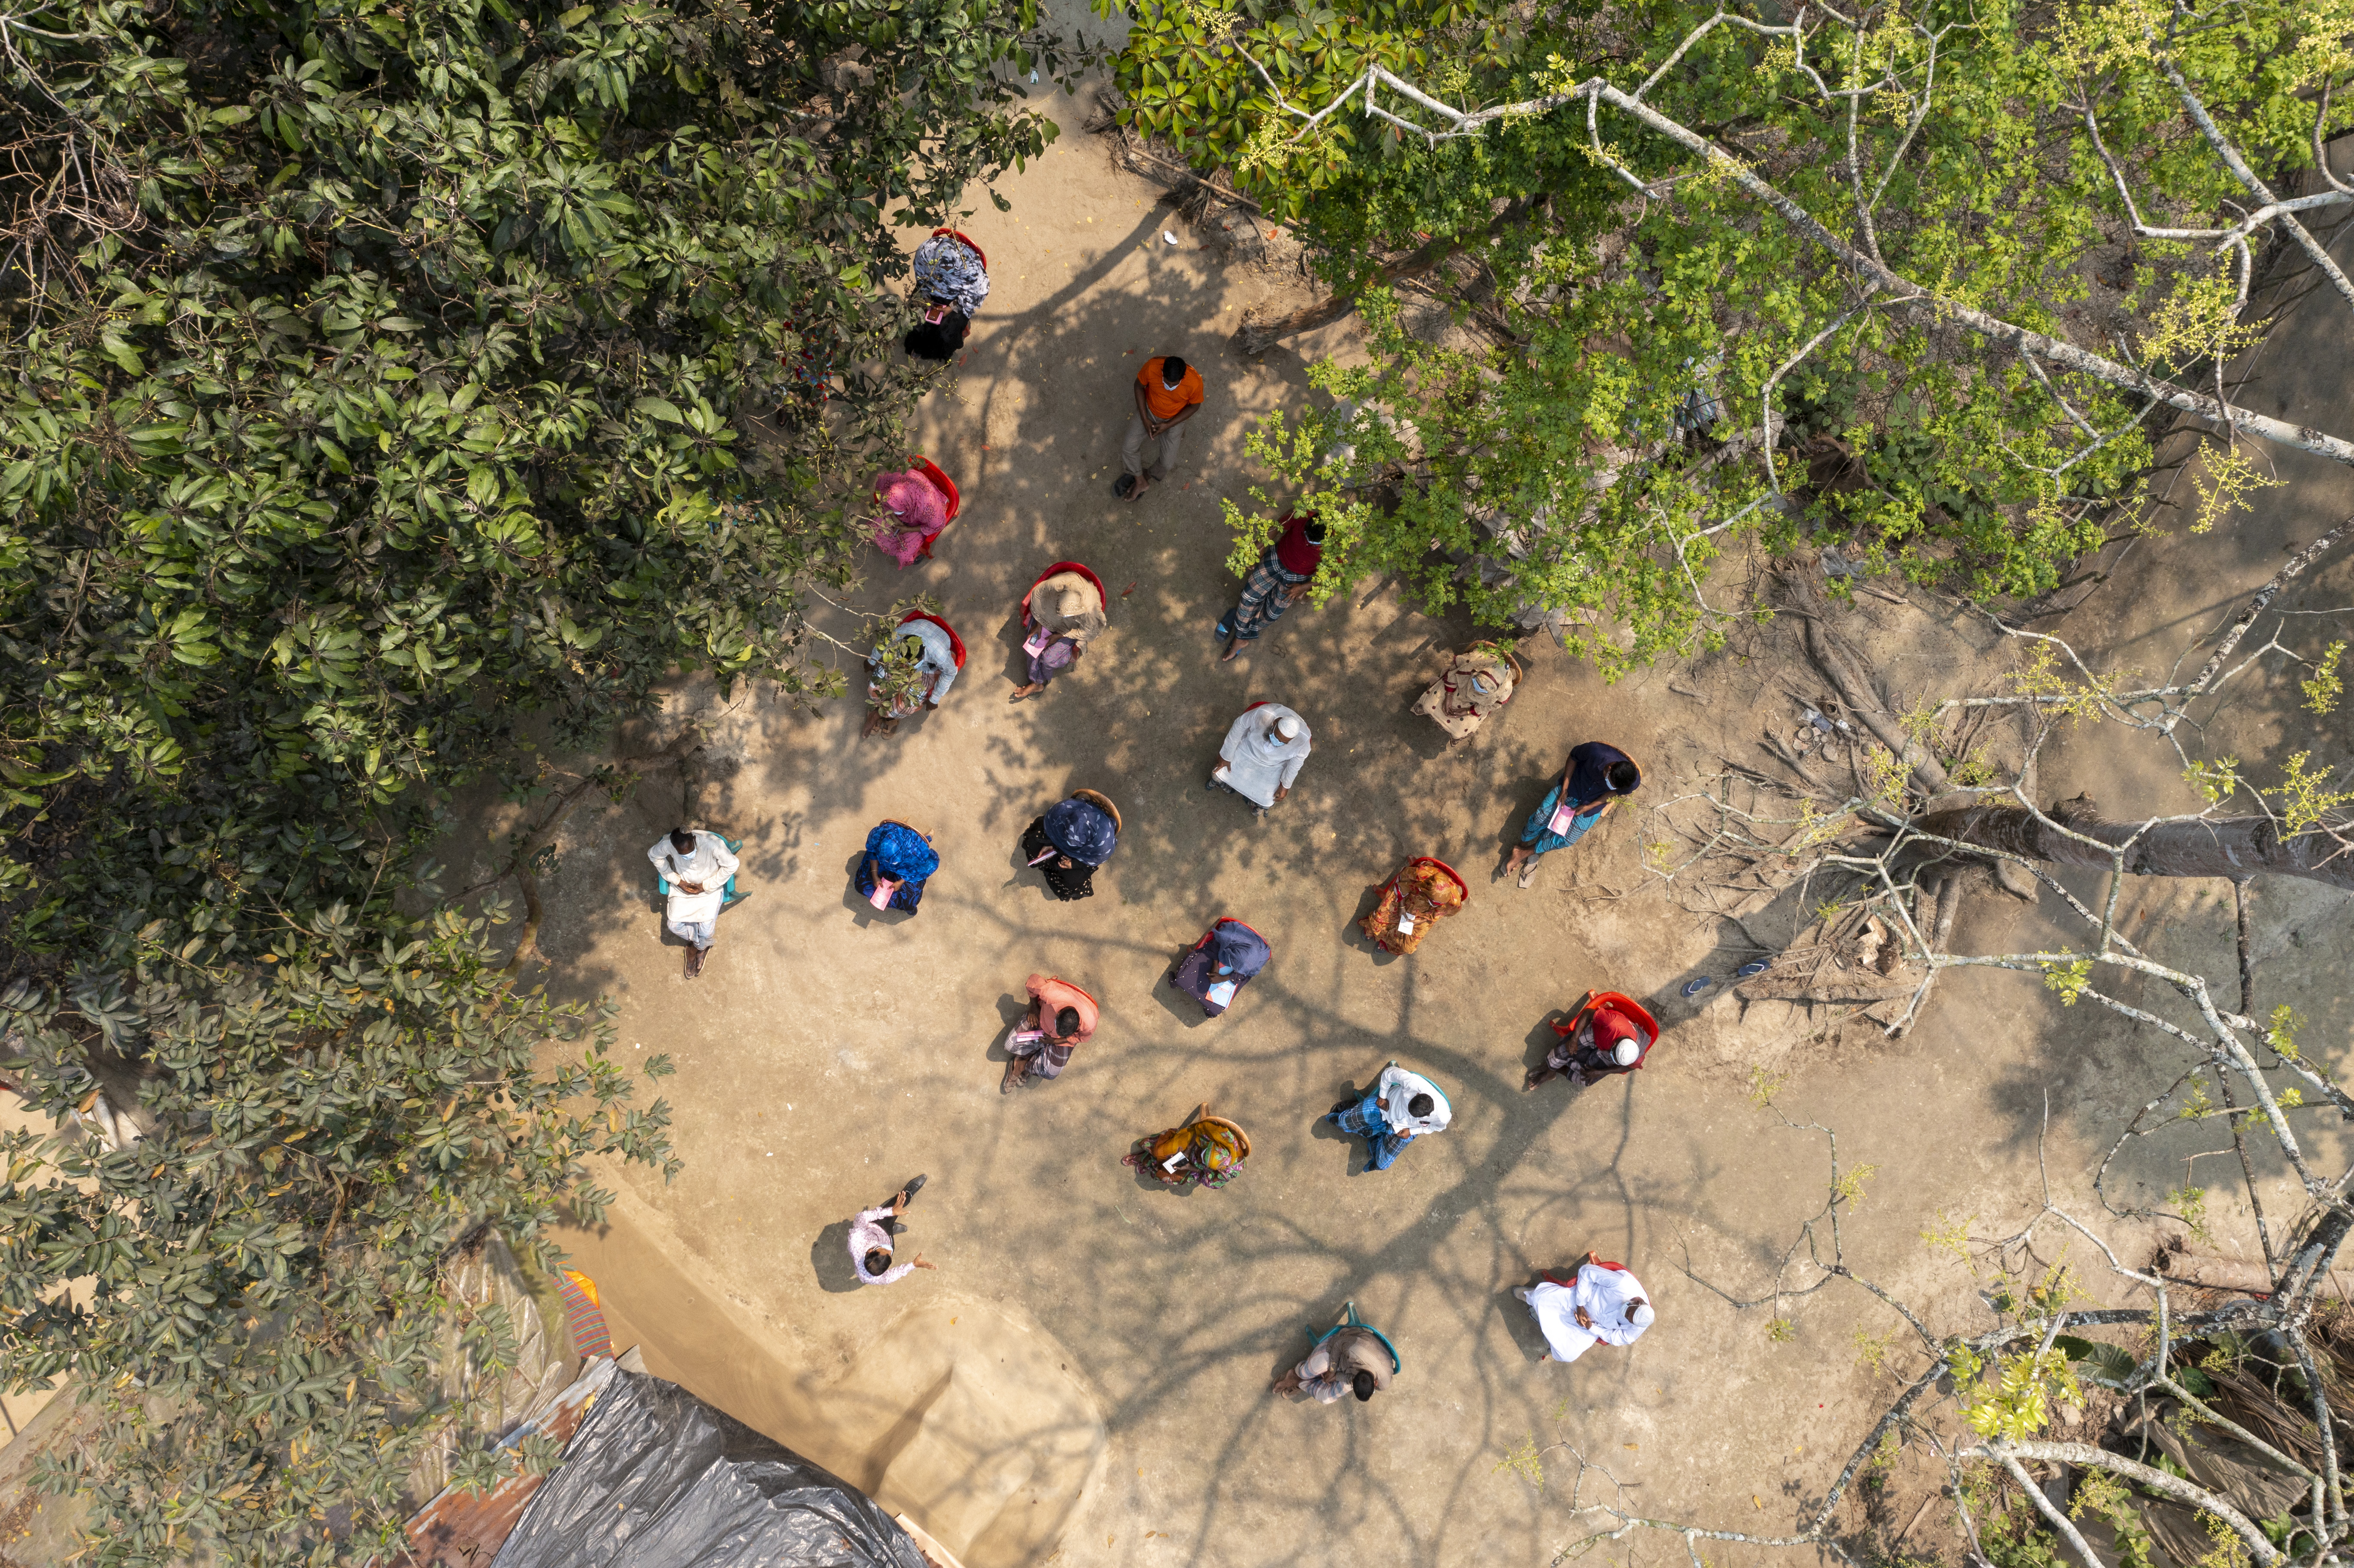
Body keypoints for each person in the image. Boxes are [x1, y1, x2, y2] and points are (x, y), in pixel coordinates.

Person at [1503, 741, 1641, 889]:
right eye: (1610, 782)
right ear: (1609, 768)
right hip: (1572, 788)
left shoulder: (1632, 783)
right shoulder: (1596, 752)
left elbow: (1615, 793)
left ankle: (1522, 853)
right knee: (1540, 818)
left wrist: (1590, 806)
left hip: (1592, 802)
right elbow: (1573, 757)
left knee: (1566, 840)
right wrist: (1564, 790)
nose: (1611, 786)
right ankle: (1522, 844)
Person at [1215, 513, 1323, 661]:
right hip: (1278, 557)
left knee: (1272, 615)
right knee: (1249, 595)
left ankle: (1240, 620)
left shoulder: (1336, 544)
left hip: (1299, 577)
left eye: (1313, 542)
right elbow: (1276, 528)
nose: (1307, 541)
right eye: (1306, 534)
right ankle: (1240, 639)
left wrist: (1304, 588)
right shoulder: (1302, 513)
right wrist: (1257, 549)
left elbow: (1331, 574)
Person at [1517, 1253, 1654, 1363]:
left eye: (1627, 1318)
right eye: (1629, 1310)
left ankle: (1553, 1341)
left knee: (1567, 1355)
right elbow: (1587, 1272)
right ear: (1637, 1301)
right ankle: (1529, 1297)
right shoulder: (1623, 1285)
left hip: (1590, 1326)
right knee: (1539, 1298)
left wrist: (1591, 1327)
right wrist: (1581, 1305)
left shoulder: (1638, 1325)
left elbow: (1620, 1337)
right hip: (1580, 1298)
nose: (1625, 1315)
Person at [646, 828, 740, 980]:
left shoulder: (711, 844)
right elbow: (654, 855)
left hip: (710, 889)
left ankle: (694, 947)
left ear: (695, 840)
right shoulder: (668, 843)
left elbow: (732, 864)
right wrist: (677, 881)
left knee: (707, 931)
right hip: (683, 889)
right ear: (674, 847)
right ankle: (701, 946)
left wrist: (706, 886)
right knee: (673, 925)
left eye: (690, 852)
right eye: (682, 855)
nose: (688, 857)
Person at [1326, 1062, 1451, 1174]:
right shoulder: (1413, 1082)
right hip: (1386, 1108)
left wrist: (1413, 1131)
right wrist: (1383, 1096)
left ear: (1428, 1115)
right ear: (1417, 1094)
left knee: (1382, 1164)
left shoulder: (1442, 1116)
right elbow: (1389, 1073)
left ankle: (1375, 1141)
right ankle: (1353, 1108)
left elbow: (1438, 1127)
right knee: (1344, 1123)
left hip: (1403, 1129)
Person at [1010, 562, 1108, 701]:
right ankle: (1037, 683)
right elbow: (1037, 598)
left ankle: (1042, 676)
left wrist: (1061, 635)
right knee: (1031, 647)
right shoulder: (1054, 587)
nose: (1063, 618)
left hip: (1070, 629)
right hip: (1047, 616)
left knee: (1049, 660)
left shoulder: (1090, 609)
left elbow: (1091, 631)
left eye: (1068, 615)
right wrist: (1039, 624)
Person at [1525, 991, 1658, 1092]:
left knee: (1587, 1080)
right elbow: (1588, 1013)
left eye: (1615, 1058)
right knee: (1565, 1049)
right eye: (1612, 1053)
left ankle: (1555, 1068)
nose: (1610, 1055)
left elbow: (1629, 1067)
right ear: (1615, 1043)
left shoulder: (1638, 1054)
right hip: (1598, 1032)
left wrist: (1602, 1072)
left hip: (1608, 1043)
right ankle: (1549, 1071)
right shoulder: (1612, 1023)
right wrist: (1574, 1039)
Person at [1114, 354, 1204, 501]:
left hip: (1175, 418)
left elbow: (1195, 406)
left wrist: (1168, 425)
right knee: (1128, 448)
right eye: (1166, 382)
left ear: (1183, 378)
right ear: (1162, 372)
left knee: (1167, 463)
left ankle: (1147, 475)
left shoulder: (1195, 382)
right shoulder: (1152, 367)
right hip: (1149, 410)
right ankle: (1140, 481)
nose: (1169, 387)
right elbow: (1138, 386)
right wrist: (1145, 420)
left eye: (1174, 384)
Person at [863, 610, 963, 738]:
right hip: (903, 654)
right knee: (873, 687)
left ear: (923, 654)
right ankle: (881, 708)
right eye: (905, 661)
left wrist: (935, 698)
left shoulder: (939, 655)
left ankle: (885, 716)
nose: (906, 668)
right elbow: (885, 642)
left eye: (911, 663)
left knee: (905, 707)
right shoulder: (900, 635)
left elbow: (950, 673)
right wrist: (871, 661)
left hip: (927, 669)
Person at [1003, 973, 1100, 1092]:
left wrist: (1057, 1040)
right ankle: (1036, 1059)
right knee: (1010, 1045)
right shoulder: (1052, 993)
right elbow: (1032, 981)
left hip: (1062, 1041)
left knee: (1050, 1074)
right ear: (1058, 1013)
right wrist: (1034, 1008)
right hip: (1041, 1021)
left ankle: (1021, 1065)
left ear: (1078, 1026)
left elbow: (1081, 1038)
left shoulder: (1090, 1022)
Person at [1019, 790, 1119, 902]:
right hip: (1059, 836)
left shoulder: (1102, 847)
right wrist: (1050, 842)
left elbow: (1091, 865)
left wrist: (1074, 864)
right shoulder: (1062, 813)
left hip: (1083, 856)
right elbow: (1051, 825)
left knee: (1072, 881)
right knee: (1034, 843)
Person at [1210, 702, 1311, 812]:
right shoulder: (1264, 714)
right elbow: (1239, 726)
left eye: (1283, 742)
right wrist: (1226, 755)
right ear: (1275, 723)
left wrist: (1285, 785)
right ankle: (1226, 785)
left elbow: (1296, 764)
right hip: (1247, 750)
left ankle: (1253, 804)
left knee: (1269, 800)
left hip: (1273, 766)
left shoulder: (1303, 739)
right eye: (1277, 737)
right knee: (1220, 773)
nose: (1277, 743)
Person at [905, 229, 987, 361]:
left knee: (946, 335)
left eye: (950, 270)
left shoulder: (973, 270)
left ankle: (937, 353)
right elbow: (921, 278)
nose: (945, 273)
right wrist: (926, 297)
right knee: (917, 322)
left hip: (958, 300)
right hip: (930, 290)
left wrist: (952, 307)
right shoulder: (926, 252)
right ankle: (918, 346)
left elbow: (975, 296)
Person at [1358, 857, 1467, 955]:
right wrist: (1401, 907)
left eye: (1436, 904)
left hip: (1425, 917)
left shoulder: (1454, 901)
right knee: (1381, 917)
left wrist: (1418, 921)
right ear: (1426, 889)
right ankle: (1372, 930)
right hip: (1405, 898)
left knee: (1408, 946)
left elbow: (1438, 915)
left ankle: (1390, 944)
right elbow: (1402, 882)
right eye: (1431, 902)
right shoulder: (1421, 876)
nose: (1433, 905)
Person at [1412, 642, 1520, 740]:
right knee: (1429, 704)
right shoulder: (1475, 663)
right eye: (1476, 683)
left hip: (1476, 705)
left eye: (1483, 690)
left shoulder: (1504, 691)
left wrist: (1467, 711)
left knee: (1459, 731)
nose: (1477, 689)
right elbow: (1454, 672)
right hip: (1457, 687)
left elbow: (1491, 706)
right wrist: (1449, 696)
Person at [1167, 917, 1270, 1018]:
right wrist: (1216, 964)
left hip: (1232, 973)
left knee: (1216, 1008)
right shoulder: (1231, 933)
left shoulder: (1261, 958)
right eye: (1232, 962)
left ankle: (1210, 1011)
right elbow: (1216, 939)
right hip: (1217, 952)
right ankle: (1177, 981)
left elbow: (1246, 975)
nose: (1230, 965)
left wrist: (1224, 978)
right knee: (1184, 979)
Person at [1273, 1320, 1395, 1403]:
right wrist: (1332, 1369)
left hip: (1359, 1361)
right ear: (1376, 1382)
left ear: (1376, 1383)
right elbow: (1338, 1344)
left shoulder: (1383, 1384)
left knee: (1326, 1398)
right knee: (1307, 1371)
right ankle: (1298, 1375)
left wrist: (1337, 1376)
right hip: (1341, 1344)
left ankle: (1299, 1382)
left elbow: (1350, 1379)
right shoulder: (1354, 1350)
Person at [848, 1176, 937, 1286]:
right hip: (887, 1238)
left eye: (884, 1250)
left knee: (898, 1204)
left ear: (870, 1252)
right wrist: (913, 1265)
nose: (889, 1250)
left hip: (876, 1226)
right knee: (890, 1240)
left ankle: (908, 1193)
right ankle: (891, 1230)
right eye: (890, 1255)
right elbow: (895, 1274)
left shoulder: (856, 1240)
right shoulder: (876, 1279)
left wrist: (891, 1212)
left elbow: (861, 1217)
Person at [1123, 1111, 1250, 1190]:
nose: (1200, 1159)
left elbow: (1208, 1180)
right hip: (1195, 1144)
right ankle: (1146, 1156)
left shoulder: (1229, 1172)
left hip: (1196, 1169)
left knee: (1166, 1175)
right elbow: (1199, 1129)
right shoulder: (1220, 1137)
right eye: (1203, 1155)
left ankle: (1149, 1161)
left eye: (1202, 1160)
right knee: (1161, 1152)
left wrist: (1190, 1167)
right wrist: (1188, 1151)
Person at [869, 462, 955, 568]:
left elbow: (937, 526)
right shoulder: (895, 483)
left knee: (904, 553)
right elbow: (885, 501)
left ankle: (916, 554)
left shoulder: (930, 512)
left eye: (899, 512)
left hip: (921, 521)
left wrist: (907, 529)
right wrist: (896, 519)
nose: (896, 514)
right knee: (876, 527)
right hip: (911, 507)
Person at [854, 820, 940, 915]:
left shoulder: (918, 853)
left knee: (908, 902)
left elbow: (919, 870)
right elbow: (873, 853)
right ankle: (901, 826)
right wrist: (875, 875)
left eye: (893, 861)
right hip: (883, 863)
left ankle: (926, 838)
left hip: (907, 868)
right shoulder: (881, 835)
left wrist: (901, 882)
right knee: (861, 886)